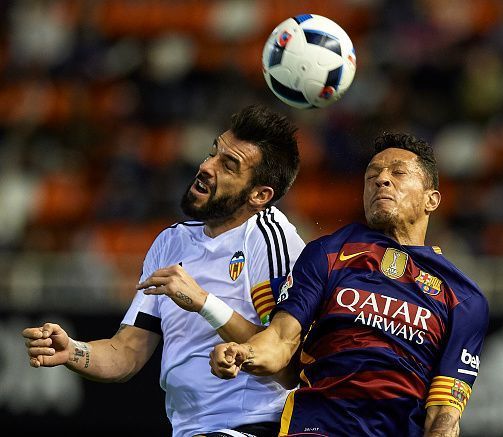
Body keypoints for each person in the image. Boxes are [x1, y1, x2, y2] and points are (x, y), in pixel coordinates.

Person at [22, 105, 305, 437]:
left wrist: (203, 302)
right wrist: (73, 349)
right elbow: (126, 352)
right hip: (190, 430)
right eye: (212, 153)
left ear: (260, 195)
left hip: (257, 424)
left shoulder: (269, 239)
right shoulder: (171, 242)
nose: (205, 167)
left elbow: (286, 364)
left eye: (228, 166)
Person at [210, 132, 489, 437]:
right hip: (317, 429)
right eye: (372, 175)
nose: (381, 180)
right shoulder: (328, 253)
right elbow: (280, 340)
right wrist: (244, 352)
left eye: (397, 173)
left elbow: (444, 416)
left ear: (431, 199)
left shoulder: (462, 297)